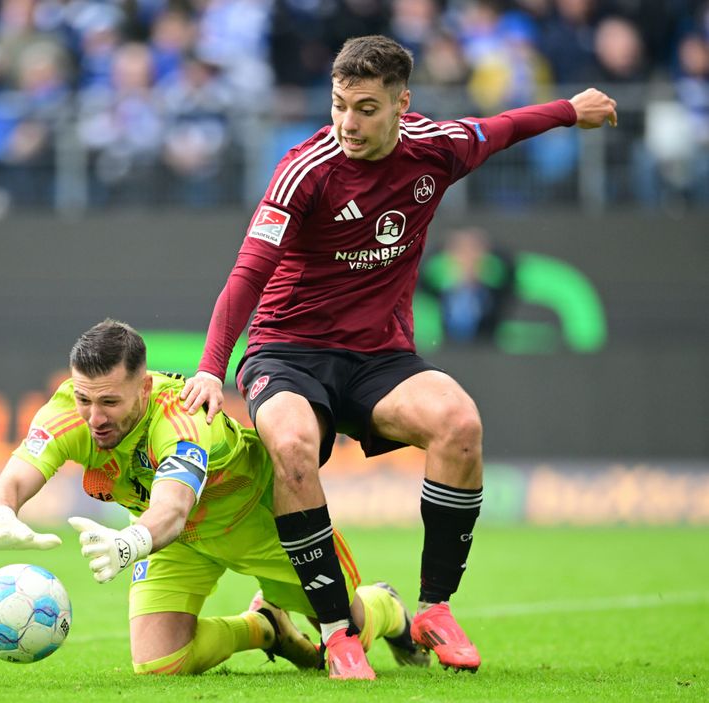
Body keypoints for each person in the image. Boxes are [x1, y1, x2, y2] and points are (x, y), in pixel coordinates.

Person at [180, 34, 617, 678]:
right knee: (292, 445)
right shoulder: (305, 170)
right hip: (289, 348)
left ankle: (434, 610)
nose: (347, 124)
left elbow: (500, 127)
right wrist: (213, 367)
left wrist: (568, 110)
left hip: (379, 354)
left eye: (365, 109)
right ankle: (337, 631)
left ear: (400, 104)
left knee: (459, 423)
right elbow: (248, 273)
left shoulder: (436, 148)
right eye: (338, 106)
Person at [0, 319, 429, 676]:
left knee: (350, 636)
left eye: (109, 402)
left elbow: (171, 509)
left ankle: (387, 607)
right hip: (179, 542)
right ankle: (265, 627)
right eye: (85, 400)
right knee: (158, 663)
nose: (94, 417)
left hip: (261, 524)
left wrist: (127, 543)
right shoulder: (70, 412)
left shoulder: (182, 418)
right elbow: (11, 479)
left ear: (144, 387)